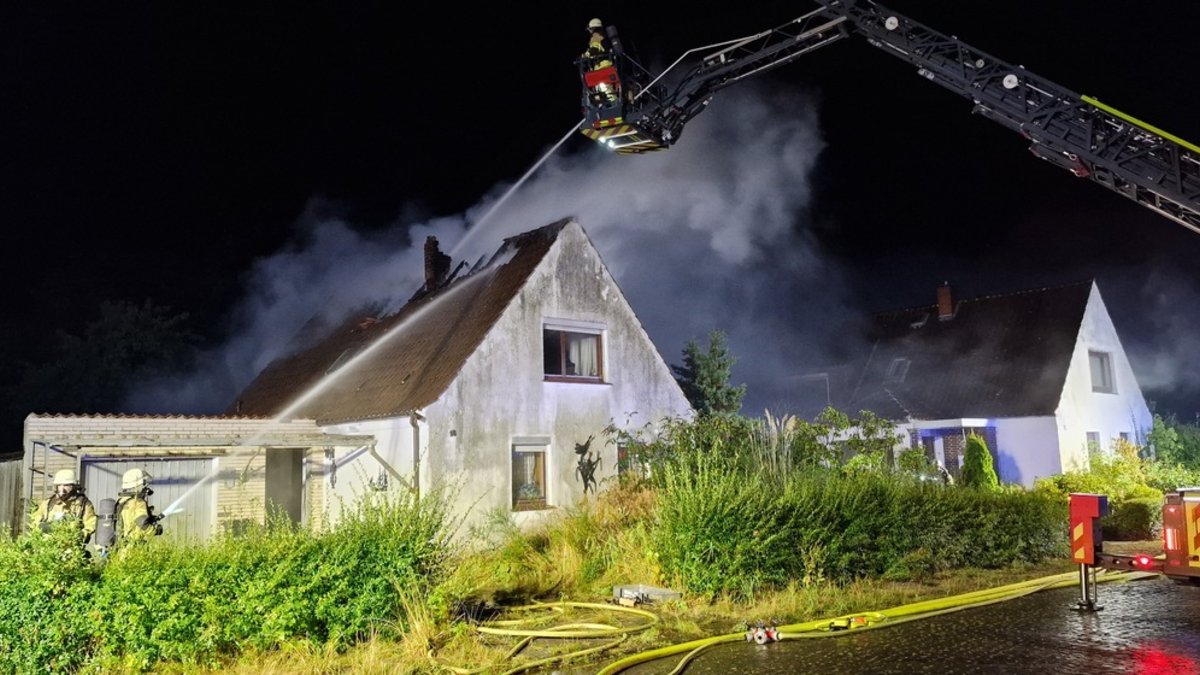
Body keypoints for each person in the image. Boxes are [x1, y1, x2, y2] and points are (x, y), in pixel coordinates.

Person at [31, 468, 98, 548]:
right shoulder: (48, 503)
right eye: (59, 485)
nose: (62, 489)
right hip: (48, 549)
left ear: (73, 487)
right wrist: (43, 527)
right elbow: (35, 523)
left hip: (72, 549)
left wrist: (81, 534)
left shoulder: (83, 504)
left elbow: (91, 523)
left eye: (66, 485)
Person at [114, 468, 163, 548]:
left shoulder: (122, 501)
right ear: (138, 485)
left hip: (122, 548)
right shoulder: (139, 502)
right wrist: (154, 530)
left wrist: (150, 519)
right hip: (135, 548)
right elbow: (142, 522)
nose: (145, 488)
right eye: (144, 485)